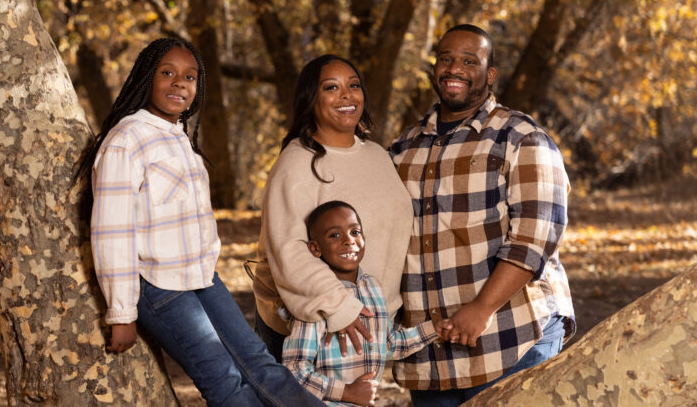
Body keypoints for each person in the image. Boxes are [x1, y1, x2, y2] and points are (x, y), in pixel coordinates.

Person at [77, 37, 321, 407]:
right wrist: (122, 312)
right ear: (146, 78)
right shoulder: (128, 139)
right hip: (158, 286)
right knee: (223, 379)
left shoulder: (179, 139)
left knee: (260, 364)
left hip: (202, 277)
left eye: (190, 77)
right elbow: (113, 231)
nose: (180, 83)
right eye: (168, 73)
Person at [389, 24, 576, 407]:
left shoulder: (521, 138)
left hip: (510, 342)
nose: (454, 68)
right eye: (446, 58)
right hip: (431, 359)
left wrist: (481, 307)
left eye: (469, 61)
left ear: (489, 75)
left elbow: (535, 237)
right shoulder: (402, 149)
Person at [252, 55, 414, 362]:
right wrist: (339, 307)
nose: (346, 95)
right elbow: (290, 249)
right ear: (311, 99)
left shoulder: (378, 156)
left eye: (353, 85)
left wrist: (384, 312)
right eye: (331, 87)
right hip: (314, 326)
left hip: (367, 321)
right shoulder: (297, 162)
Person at [282, 201, 444, 406]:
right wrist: (346, 392)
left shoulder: (373, 287)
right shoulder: (317, 297)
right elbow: (293, 372)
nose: (349, 241)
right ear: (315, 248)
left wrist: (434, 329)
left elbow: (386, 344)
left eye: (355, 232)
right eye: (334, 235)